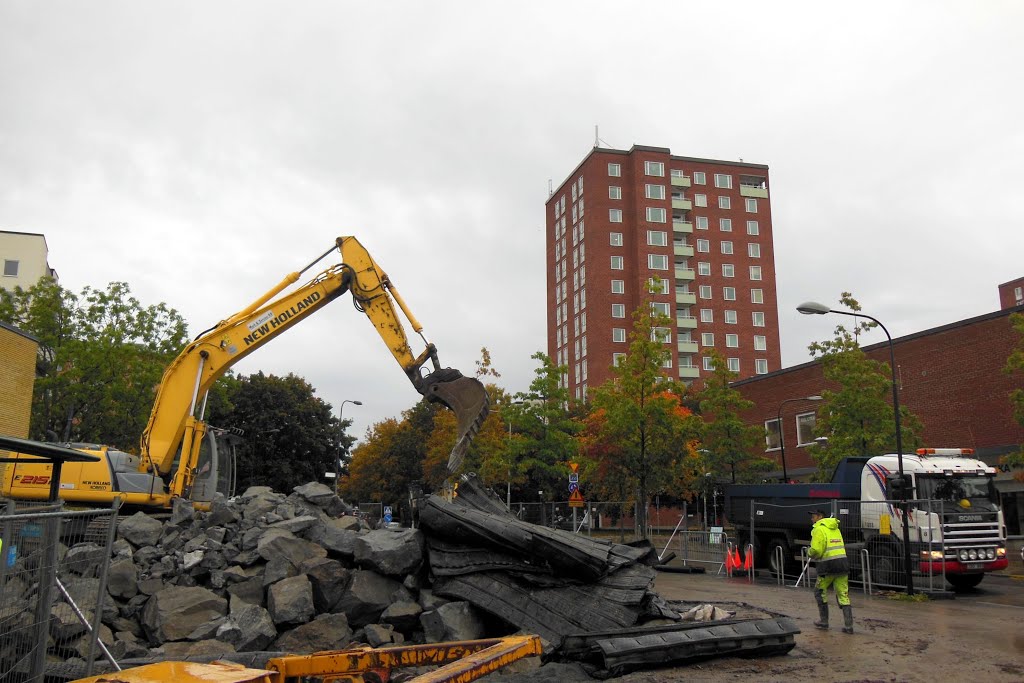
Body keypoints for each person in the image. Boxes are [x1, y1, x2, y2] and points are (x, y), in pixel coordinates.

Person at [808, 508, 853, 633]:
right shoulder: (835, 528)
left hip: (827, 566)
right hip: (842, 564)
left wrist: (809, 552)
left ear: (820, 516)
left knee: (819, 592)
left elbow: (816, 550)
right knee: (843, 594)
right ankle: (849, 626)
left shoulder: (818, 529)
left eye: (813, 516)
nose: (811, 518)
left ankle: (824, 622)